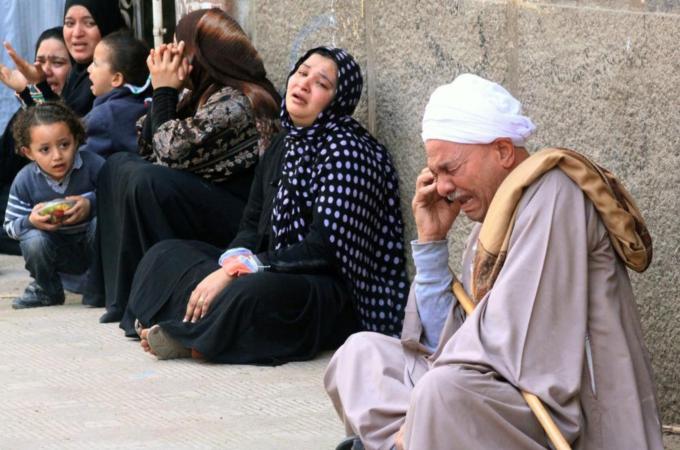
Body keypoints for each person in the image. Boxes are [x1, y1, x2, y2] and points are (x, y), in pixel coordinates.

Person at [324, 74, 663, 450]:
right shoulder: (490, 221)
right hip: (500, 387)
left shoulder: (555, 194)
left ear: (502, 151)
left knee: (439, 392)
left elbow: (514, 339)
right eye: (435, 174)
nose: (443, 187)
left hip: (564, 412)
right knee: (360, 356)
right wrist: (432, 243)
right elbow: (443, 340)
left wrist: (426, 401)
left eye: (450, 170)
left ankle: (400, 441)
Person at [127, 46, 410, 365]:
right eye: (302, 73)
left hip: (329, 291)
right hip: (272, 267)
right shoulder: (284, 142)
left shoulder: (349, 152)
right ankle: (195, 328)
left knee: (254, 292)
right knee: (164, 255)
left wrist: (244, 269)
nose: (304, 84)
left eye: (321, 83)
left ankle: (196, 337)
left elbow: (323, 251)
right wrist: (230, 265)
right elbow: (251, 224)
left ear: (338, 100)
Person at [92, 8, 281, 325]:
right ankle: (118, 297)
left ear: (201, 55)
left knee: (148, 181)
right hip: (209, 197)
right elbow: (148, 144)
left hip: (241, 224)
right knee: (118, 165)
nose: (175, 57)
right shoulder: (204, 92)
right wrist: (169, 91)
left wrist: (164, 90)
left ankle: (150, 299)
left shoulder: (242, 101)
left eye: (182, 48)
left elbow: (168, 153)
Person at [3, 102, 104, 309]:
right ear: (28, 153)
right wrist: (31, 221)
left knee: (101, 223)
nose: (57, 156)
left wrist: (91, 204)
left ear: (76, 140)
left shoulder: (93, 166)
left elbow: (118, 202)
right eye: (45, 150)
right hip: (56, 252)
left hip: (94, 246)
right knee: (33, 240)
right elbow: (10, 226)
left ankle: (103, 284)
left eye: (64, 145)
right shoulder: (25, 180)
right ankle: (47, 289)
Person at [0, 27, 72, 255]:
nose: (44, 71)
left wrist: (29, 93)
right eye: (39, 62)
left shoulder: (82, 107)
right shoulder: (25, 112)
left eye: (57, 63)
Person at [2, 0, 126, 117]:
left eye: (89, 23)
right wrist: (26, 89)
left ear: (107, 23)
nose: (77, 33)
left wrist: (38, 86)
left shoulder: (112, 82)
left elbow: (64, 128)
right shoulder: (76, 77)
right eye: (70, 23)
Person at [80, 30, 151, 158]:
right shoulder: (149, 104)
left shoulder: (104, 117)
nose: (89, 69)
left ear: (116, 79)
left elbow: (81, 161)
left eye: (95, 64)